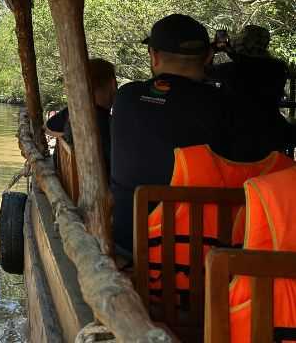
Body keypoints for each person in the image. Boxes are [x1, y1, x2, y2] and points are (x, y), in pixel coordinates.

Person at [111, 14, 234, 253]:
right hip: (203, 253)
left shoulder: (126, 97)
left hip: (129, 242)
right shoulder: (226, 105)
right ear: (208, 57)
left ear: (154, 56)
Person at [211, 24, 294, 159]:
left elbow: (203, 71)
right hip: (271, 133)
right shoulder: (278, 68)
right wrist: (230, 51)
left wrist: (213, 48)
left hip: (237, 136)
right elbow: (254, 64)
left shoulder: (231, 69)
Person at [47, 59, 117, 177]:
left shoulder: (74, 112)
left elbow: (47, 127)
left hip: (72, 185)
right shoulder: (106, 123)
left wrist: (71, 137)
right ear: (113, 84)